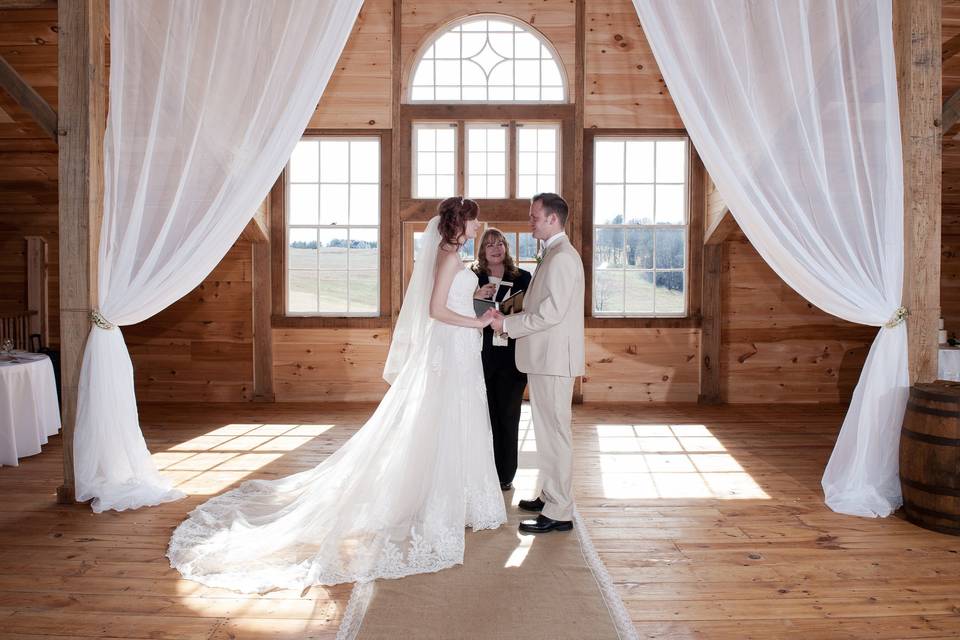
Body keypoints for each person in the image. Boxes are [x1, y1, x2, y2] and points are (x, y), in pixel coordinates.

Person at [167, 197, 506, 593]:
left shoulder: (452, 255)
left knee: (458, 418)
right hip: (451, 346)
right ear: (459, 223)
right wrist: (478, 320)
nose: (478, 226)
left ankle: (458, 497)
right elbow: (434, 309)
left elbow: (449, 300)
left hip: (458, 346)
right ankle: (438, 502)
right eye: (474, 220)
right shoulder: (449, 257)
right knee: (447, 416)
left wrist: (474, 302)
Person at [491, 193, 585, 534]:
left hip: (555, 360)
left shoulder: (562, 257)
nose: (529, 222)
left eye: (534, 217)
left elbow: (550, 313)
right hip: (545, 357)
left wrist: (507, 326)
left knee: (556, 434)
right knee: (547, 433)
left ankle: (559, 511)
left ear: (552, 219)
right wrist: (504, 311)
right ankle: (550, 494)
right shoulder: (554, 254)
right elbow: (537, 301)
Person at [472, 228, 532, 492]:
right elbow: (458, 310)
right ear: (482, 251)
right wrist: (475, 297)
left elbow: (532, 313)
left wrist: (506, 313)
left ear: (506, 248)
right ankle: (481, 473)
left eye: (500, 244)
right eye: (489, 245)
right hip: (479, 356)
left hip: (512, 357)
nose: (495, 249)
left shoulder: (523, 278)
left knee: (509, 416)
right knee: (483, 417)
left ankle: (505, 475)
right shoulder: (472, 277)